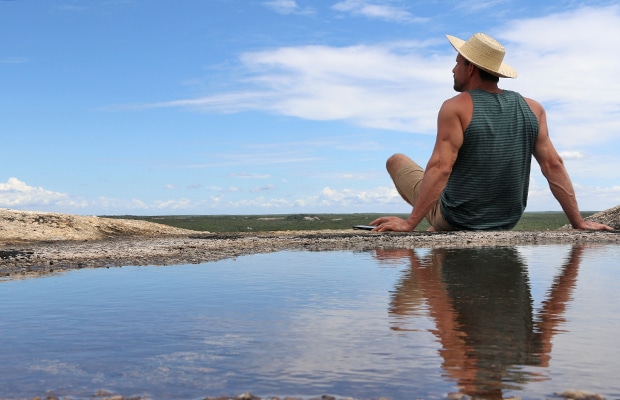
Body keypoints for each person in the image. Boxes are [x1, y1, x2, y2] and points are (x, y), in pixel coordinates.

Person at [370, 33, 613, 232]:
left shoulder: (455, 107)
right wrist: (578, 222)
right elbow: (553, 165)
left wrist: (410, 223)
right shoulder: (533, 108)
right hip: (506, 220)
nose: (453, 69)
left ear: (471, 68)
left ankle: (433, 222)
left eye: (457, 62)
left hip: (457, 218)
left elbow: (441, 167)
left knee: (397, 160)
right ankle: (436, 224)